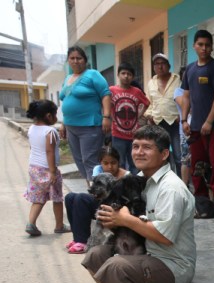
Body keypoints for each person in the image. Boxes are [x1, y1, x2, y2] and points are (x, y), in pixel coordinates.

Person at [82, 125, 196, 283]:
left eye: (147, 147)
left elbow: (164, 237)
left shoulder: (171, 189)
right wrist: (113, 220)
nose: (138, 152)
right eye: (135, 146)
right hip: (147, 252)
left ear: (164, 155)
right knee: (94, 255)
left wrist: (124, 219)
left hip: (172, 263)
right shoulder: (140, 179)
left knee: (115, 266)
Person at [181, 29, 214, 213]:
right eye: (200, 45)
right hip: (194, 127)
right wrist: (184, 120)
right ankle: (200, 197)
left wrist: (209, 122)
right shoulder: (190, 70)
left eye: (207, 45)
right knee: (197, 164)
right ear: (194, 46)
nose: (204, 48)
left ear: (211, 47)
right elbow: (186, 96)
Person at [59, 46, 112, 184]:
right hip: (71, 126)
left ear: (85, 60)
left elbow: (105, 95)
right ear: (68, 61)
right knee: (79, 160)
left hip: (89, 126)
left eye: (79, 58)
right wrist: (63, 124)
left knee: (90, 160)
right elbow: (65, 100)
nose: (75, 61)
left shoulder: (93, 74)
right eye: (72, 58)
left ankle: (97, 192)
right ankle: (93, 188)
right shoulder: (68, 78)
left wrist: (106, 117)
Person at [64, 146, 130, 254]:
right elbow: (94, 191)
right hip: (100, 201)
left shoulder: (126, 176)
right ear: (100, 163)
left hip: (114, 207)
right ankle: (77, 237)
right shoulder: (97, 170)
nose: (110, 166)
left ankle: (82, 241)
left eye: (113, 163)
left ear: (119, 162)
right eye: (106, 163)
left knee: (81, 198)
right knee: (70, 197)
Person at [23, 99, 70, 237]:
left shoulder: (31, 129)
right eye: (55, 114)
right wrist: (52, 171)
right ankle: (59, 225)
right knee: (57, 197)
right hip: (47, 169)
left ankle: (30, 223)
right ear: (49, 116)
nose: (56, 117)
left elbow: (33, 147)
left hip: (34, 167)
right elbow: (49, 152)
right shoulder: (50, 132)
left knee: (38, 197)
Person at [144, 53, 182, 174]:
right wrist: (149, 114)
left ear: (169, 65)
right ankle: (165, 181)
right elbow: (148, 102)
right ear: (154, 67)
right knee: (161, 155)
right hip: (158, 123)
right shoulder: (151, 83)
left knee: (178, 155)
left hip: (175, 123)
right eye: (157, 64)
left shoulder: (177, 79)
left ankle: (182, 182)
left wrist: (181, 115)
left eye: (163, 64)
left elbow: (185, 98)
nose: (160, 67)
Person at [110, 62, 150, 174]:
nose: (126, 76)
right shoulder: (112, 90)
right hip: (117, 134)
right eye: (123, 73)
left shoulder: (136, 91)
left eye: (129, 74)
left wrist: (138, 115)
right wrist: (111, 116)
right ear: (118, 75)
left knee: (135, 163)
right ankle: (121, 187)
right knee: (119, 162)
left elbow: (147, 103)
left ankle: (135, 186)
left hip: (133, 134)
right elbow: (104, 103)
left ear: (133, 77)